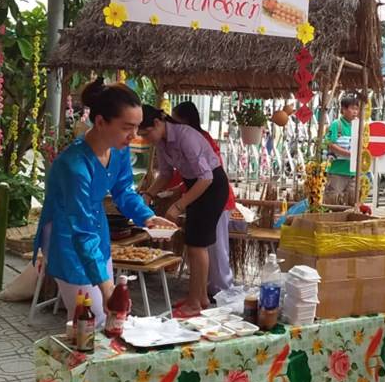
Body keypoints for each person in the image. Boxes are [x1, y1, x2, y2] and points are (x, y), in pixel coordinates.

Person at [33, 80, 172, 324]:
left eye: (138, 127)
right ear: (100, 122)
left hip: (96, 232)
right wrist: (106, 286)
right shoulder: (74, 166)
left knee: (104, 321)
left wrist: (146, 216)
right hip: (69, 239)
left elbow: (124, 191)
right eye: (127, 127)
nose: (134, 136)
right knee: (92, 321)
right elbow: (81, 231)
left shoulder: (117, 151)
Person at [140, 105, 231, 317]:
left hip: (211, 185)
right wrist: (148, 195)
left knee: (198, 244)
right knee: (193, 243)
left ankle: (195, 302)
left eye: (145, 133)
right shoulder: (162, 142)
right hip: (195, 185)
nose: (144, 139)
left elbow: (207, 177)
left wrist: (179, 204)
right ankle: (199, 298)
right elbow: (164, 174)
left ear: (157, 123)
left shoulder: (185, 136)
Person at [159, 101, 236, 295]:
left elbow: (203, 174)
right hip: (198, 194)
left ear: (186, 121)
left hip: (215, 197)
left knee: (216, 252)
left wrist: (178, 201)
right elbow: (180, 173)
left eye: (174, 120)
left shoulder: (195, 138)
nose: (171, 124)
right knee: (202, 248)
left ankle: (221, 293)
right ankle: (204, 293)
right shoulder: (171, 141)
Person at [323, 95, 360, 205]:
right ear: (343, 109)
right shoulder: (336, 124)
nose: (355, 112)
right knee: (333, 201)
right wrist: (347, 153)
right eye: (352, 108)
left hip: (353, 172)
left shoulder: (358, 125)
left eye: (357, 109)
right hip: (337, 172)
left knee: (353, 202)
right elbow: (330, 143)